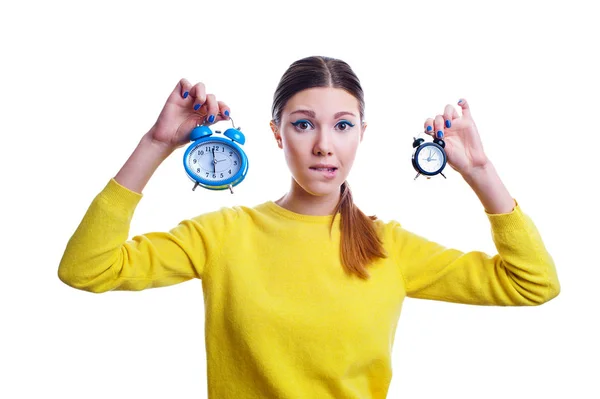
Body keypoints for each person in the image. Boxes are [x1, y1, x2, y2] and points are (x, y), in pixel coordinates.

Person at [58, 55, 560, 398]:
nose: (324, 146)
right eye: (303, 124)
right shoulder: (224, 236)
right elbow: (87, 268)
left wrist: (480, 172)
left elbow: (533, 283)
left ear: (362, 135)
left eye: (343, 125)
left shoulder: (390, 247)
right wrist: (155, 143)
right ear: (277, 134)